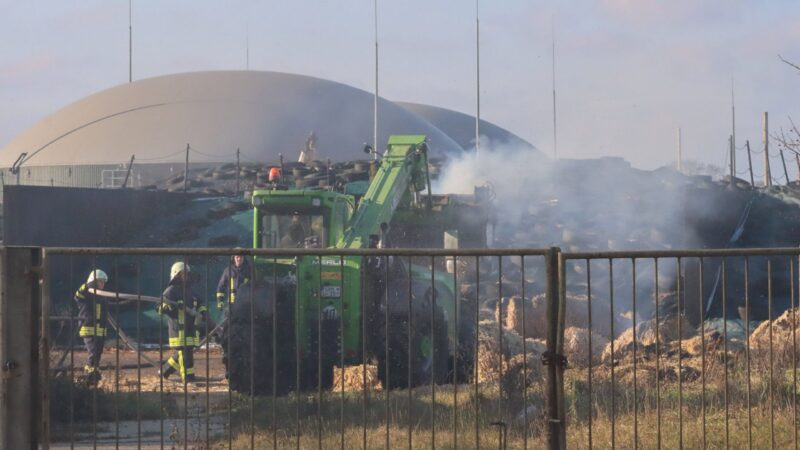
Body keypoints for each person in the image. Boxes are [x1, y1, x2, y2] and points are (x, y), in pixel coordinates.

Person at [157, 262, 208, 382]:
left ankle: (164, 371)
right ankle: (188, 378)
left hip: (190, 329)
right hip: (179, 330)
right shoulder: (171, 291)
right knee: (185, 356)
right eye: (182, 274)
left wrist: (203, 312)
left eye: (186, 274)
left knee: (185, 352)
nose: (185, 276)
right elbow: (159, 307)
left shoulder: (191, 291)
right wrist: (172, 307)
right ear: (176, 275)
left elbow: (200, 304)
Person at [74, 269, 110, 386]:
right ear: (93, 282)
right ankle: (90, 376)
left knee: (97, 354)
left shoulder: (101, 297)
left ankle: (93, 375)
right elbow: (78, 296)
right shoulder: (86, 294)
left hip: (99, 331)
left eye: (103, 282)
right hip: (89, 329)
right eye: (100, 282)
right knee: (93, 353)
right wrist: (87, 287)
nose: (102, 284)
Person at [214, 252, 251, 343]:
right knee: (225, 325)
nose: (239, 259)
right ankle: (225, 343)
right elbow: (221, 287)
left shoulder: (249, 270)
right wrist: (220, 301)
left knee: (245, 326)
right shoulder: (228, 271)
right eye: (237, 257)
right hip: (231, 304)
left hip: (245, 305)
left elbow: (255, 286)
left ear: (243, 258)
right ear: (233, 258)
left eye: (241, 257)